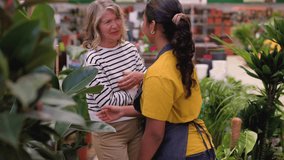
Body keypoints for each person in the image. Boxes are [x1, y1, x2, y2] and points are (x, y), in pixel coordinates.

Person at [97, 0, 216, 159]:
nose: (142, 24)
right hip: (200, 146)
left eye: (144, 20)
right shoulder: (181, 58)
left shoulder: (158, 73)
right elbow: (166, 106)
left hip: (181, 151)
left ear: (152, 26)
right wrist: (123, 110)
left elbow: (154, 134)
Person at [82, 0, 146, 159]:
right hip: (109, 131)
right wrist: (134, 91)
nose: (115, 25)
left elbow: (147, 86)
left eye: (117, 19)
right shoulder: (93, 59)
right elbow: (106, 104)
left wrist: (141, 82)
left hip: (137, 125)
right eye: (107, 21)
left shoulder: (130, 49)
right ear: (95, 27)